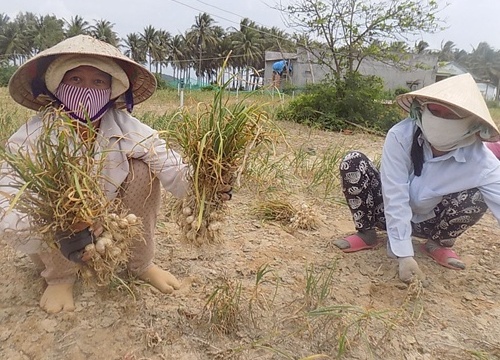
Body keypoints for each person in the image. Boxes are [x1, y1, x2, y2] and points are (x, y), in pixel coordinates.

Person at [1, 35, 230, 313]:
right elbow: (7, 199)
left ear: (111, 89)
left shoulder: (125, 126)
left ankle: (141, 264)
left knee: (143, 170)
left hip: (107, 225)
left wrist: (206, 181)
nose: (87, 90)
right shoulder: (32, 137)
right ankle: (60, 278)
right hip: (53, 241)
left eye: (98, 82)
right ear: (57, 85)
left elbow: (169, 163)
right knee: (50, 190)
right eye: (75, 80)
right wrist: (61, 220)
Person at [332, 73, 500, 284]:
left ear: (472, 124)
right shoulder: (400, 136)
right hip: (384, 214)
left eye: (451, 116)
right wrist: (404, 254)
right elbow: (395, 195)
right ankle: (367, 233)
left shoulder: (481, 161)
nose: (440, 120)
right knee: (353, 162)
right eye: (435, 111)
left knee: (477, 195)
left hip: (431, 222)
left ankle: (437, 244)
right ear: (421, 110)